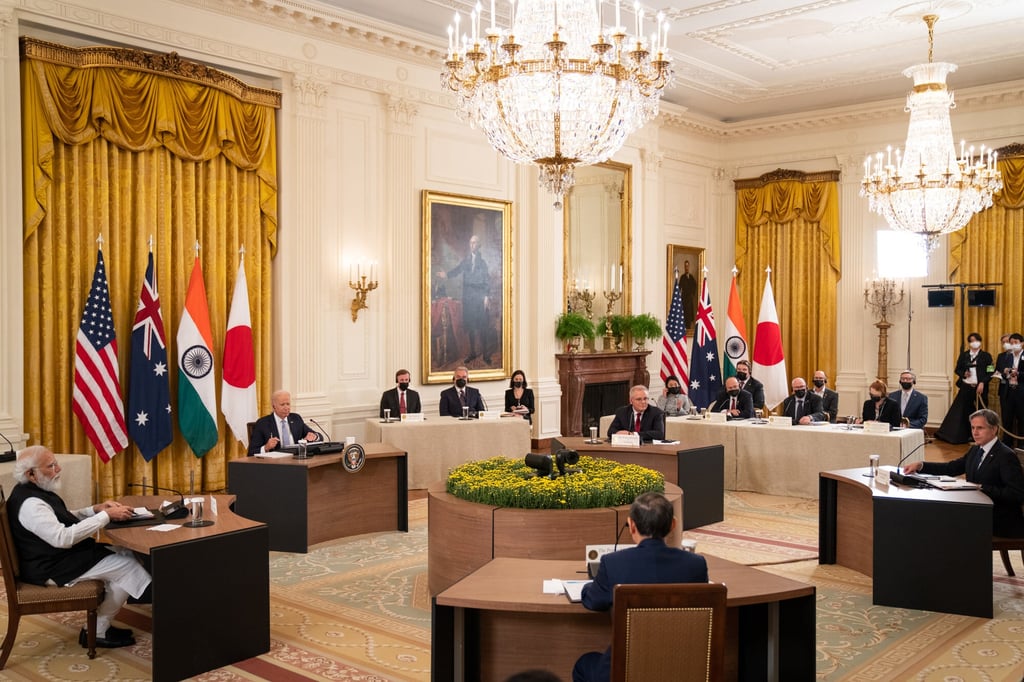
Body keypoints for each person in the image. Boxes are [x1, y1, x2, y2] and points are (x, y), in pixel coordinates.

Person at [9, 446, 152, 648]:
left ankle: (99, 626)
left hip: (56, 558)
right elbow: (62, 538)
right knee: (129, 566)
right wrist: (106, 517)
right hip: (50, 567)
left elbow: (60, 518)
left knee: (126, 554)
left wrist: (95, 510)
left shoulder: (34, 492)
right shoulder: (31, 504)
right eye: (51, 466)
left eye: (56, 463)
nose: (58, 469)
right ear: (31, 474)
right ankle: (98, 630)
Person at [572, 492, 708, 682]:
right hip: (682, 668)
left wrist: (592, 585)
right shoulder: (696, 565)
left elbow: (593, 600)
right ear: (673, 525)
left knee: (584, 665)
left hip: (625, 671)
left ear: (632, 525)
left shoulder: (614, 564)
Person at [902, 409, 1024, 537]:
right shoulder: (976, 449)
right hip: (978, 510)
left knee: (949, 524)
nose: (975, 433)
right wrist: (921, 465)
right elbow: (951, 468)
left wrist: (982, 488)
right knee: (939, 516)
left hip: (1000, 518)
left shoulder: (1005, 456)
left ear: (994, 429)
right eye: (973, 428)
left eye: (980, 428)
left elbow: (1016, 494)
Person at [436, 233, 491, 364]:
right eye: (471, 243)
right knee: (471, 326)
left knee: (482, 326)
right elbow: (458, 270)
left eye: (475, 243)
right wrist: (446, 275)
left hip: (479, 297)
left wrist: (486, 297)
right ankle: (472, 352)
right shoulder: (466, 260)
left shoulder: (482, 263)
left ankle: (486, 355)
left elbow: (487, 281)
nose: (473, 245)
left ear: (479, 245)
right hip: (468, 297)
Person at [936, 333, 994, 444]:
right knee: (965, 412)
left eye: (976, 340)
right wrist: (963, 374)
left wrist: (982, 382)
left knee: (981, 412)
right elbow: (957, 369)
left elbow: (990, 371)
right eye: (972, 341)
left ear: (980, 342)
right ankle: (967, 435)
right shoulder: (964, 355)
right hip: (966, 387)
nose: (974, 342)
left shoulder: (987, 356)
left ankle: (982, 437)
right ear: (969, 343)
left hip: (980, 389)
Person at [248, 390, 321, 455]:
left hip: (296, 459)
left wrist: (315, 436)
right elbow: (251, 452)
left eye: (288, 404)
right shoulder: (263, 423)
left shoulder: (296, 418)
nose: (286, 408)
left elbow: (319, 436)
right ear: (274, 406)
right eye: (282, 404)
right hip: (275, 464)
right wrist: (266, 447)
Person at [996, 333, 1024, 447]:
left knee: (1022, 420)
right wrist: (1006, 373)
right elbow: (1001, 372)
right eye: (1011, 343)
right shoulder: (1008, 356)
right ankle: (1007, 445)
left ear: (1022, 343)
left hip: (1021, 392)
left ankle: (1022, 446)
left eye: (1015, 343)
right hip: (1008, 392)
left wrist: (1018, 374)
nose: (1013, 345)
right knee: (1007, 420)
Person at [677, 259, 698, 334]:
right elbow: (679, 288)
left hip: (689, 300)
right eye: (685, 266)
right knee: (684, 315)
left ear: (689, 267)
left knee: (689, 316)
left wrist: (692, 294)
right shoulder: (682, 277)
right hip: (684, 300)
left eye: (687, 266)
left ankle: (689, 329)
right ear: (684, 267)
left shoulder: (691, 277)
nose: (686, 268)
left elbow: (695, 286)